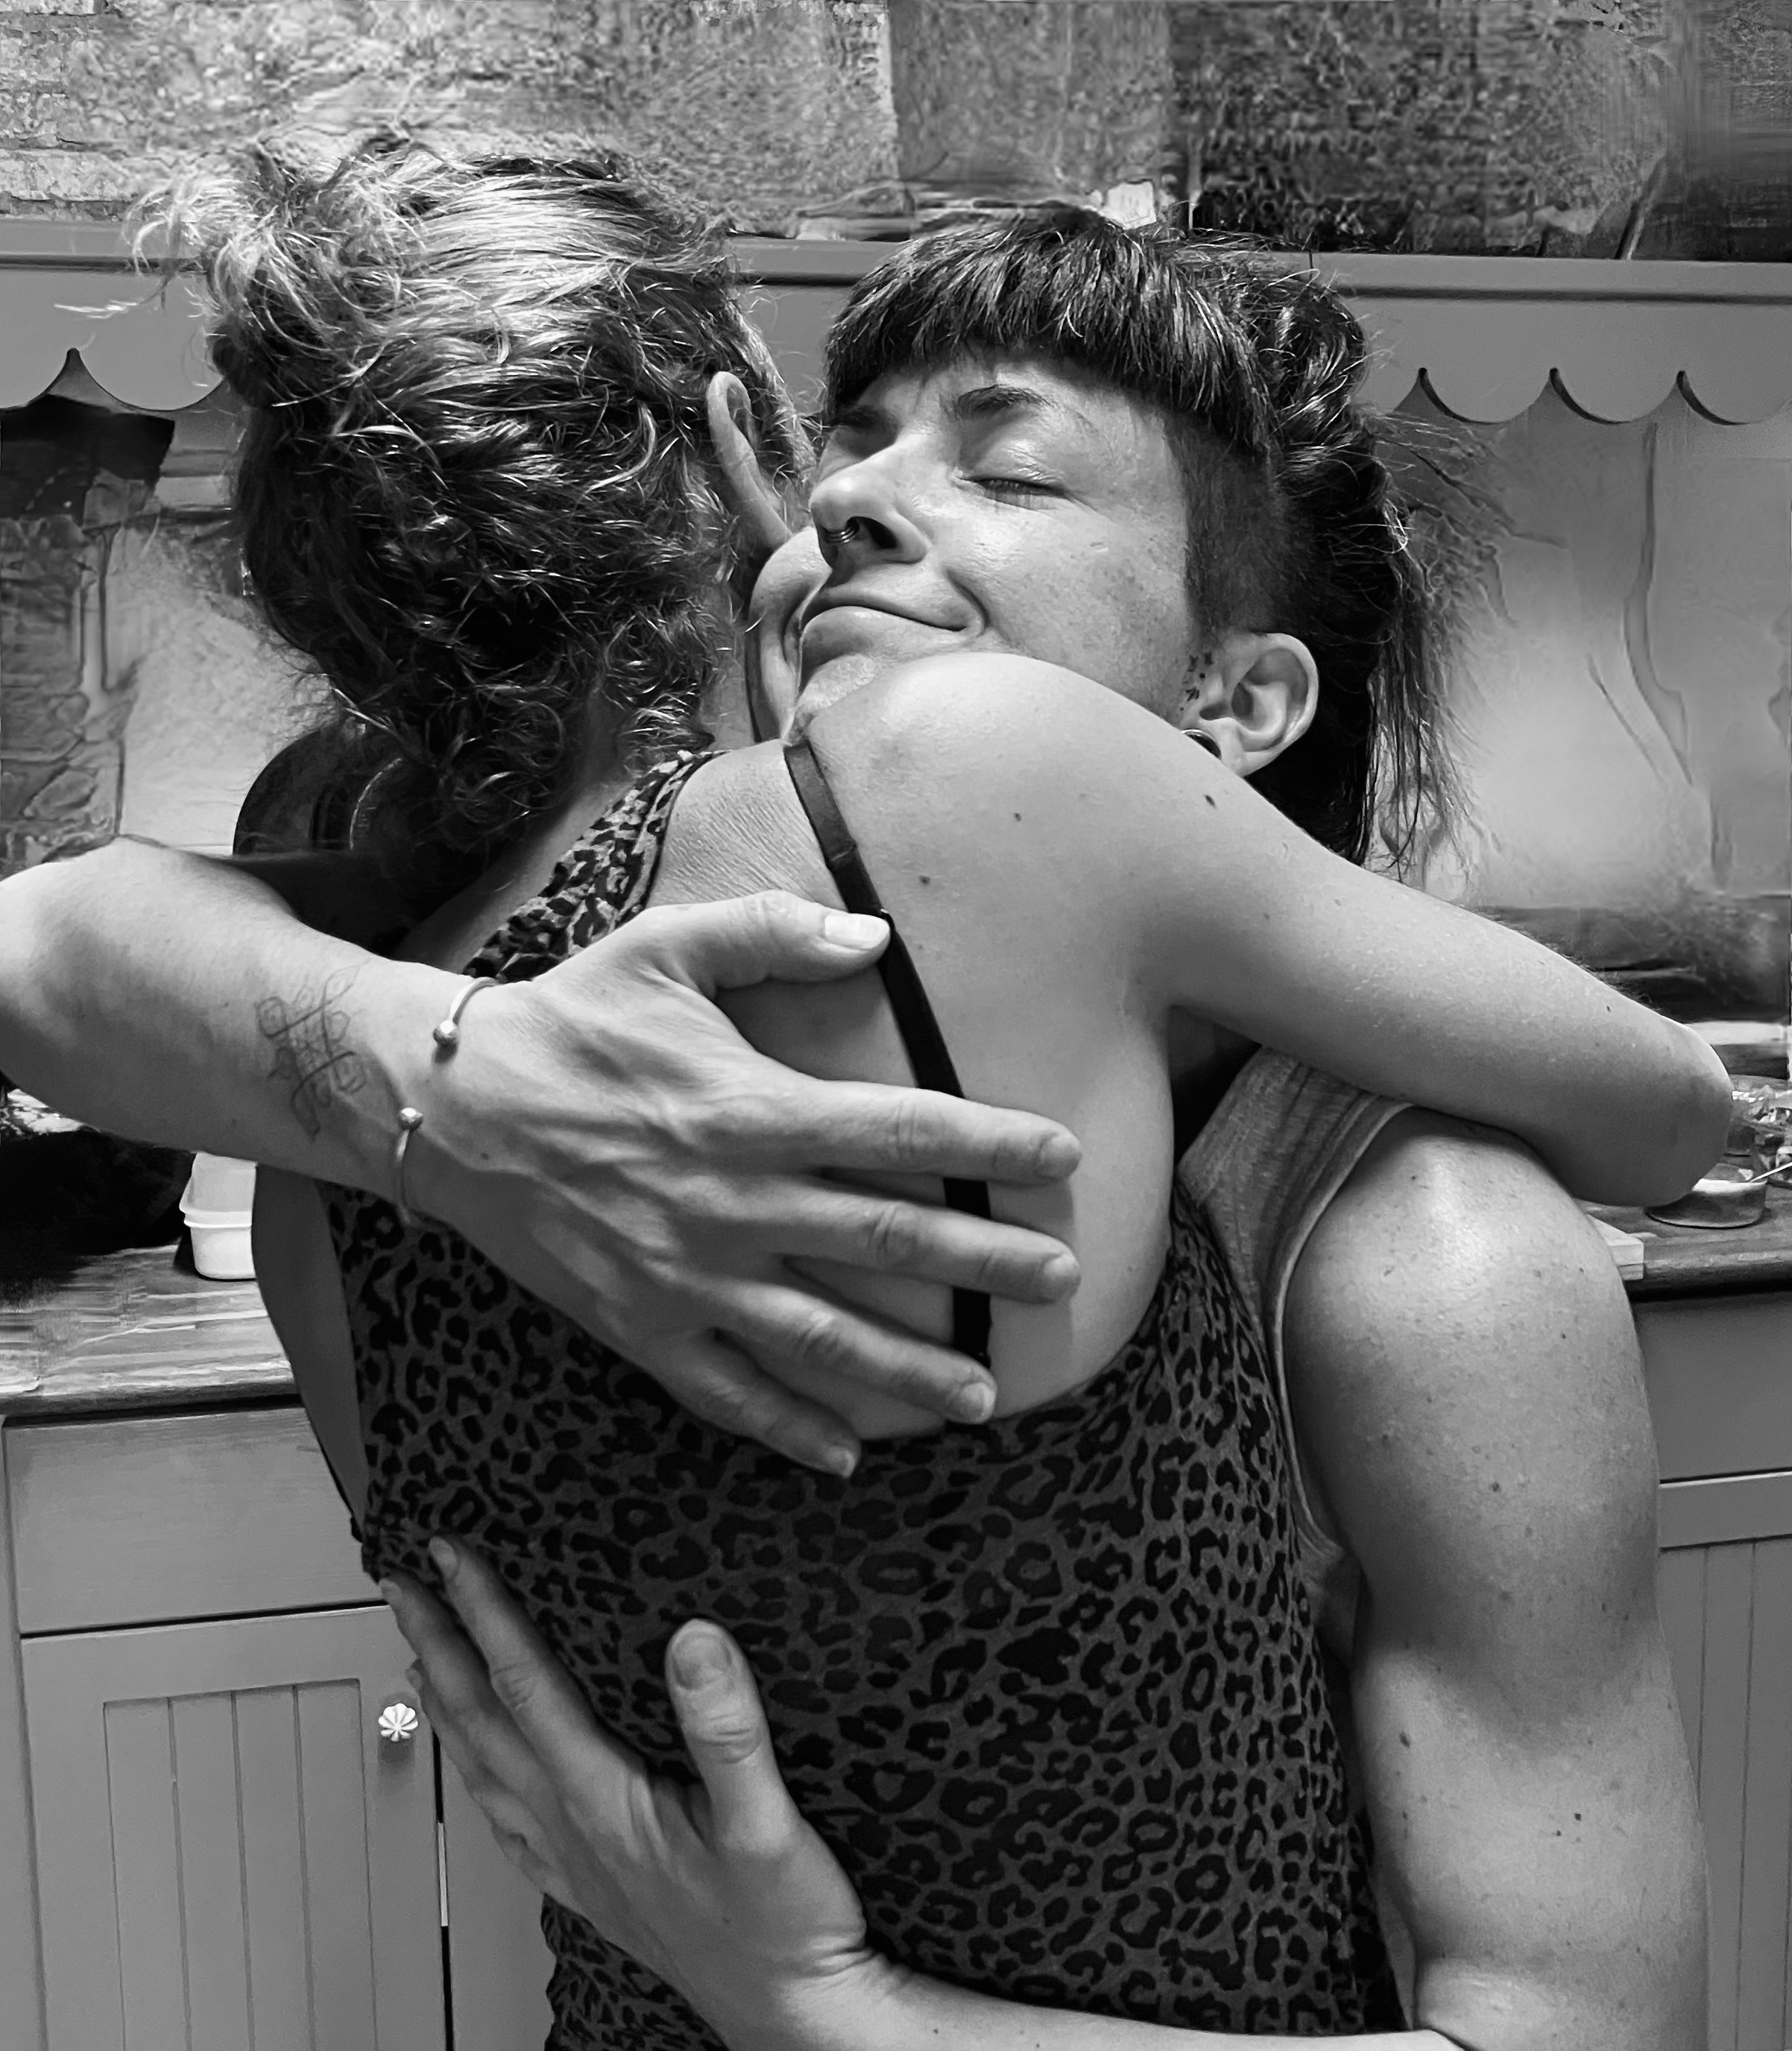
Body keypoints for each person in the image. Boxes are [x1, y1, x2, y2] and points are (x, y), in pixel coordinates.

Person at [0, 160, 1713, 2042]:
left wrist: (827, 2012)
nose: (852, 497)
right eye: (852, 438)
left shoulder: (1422, 1248)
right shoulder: (469, 1053)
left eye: (1009, 469)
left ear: (1231, 707)